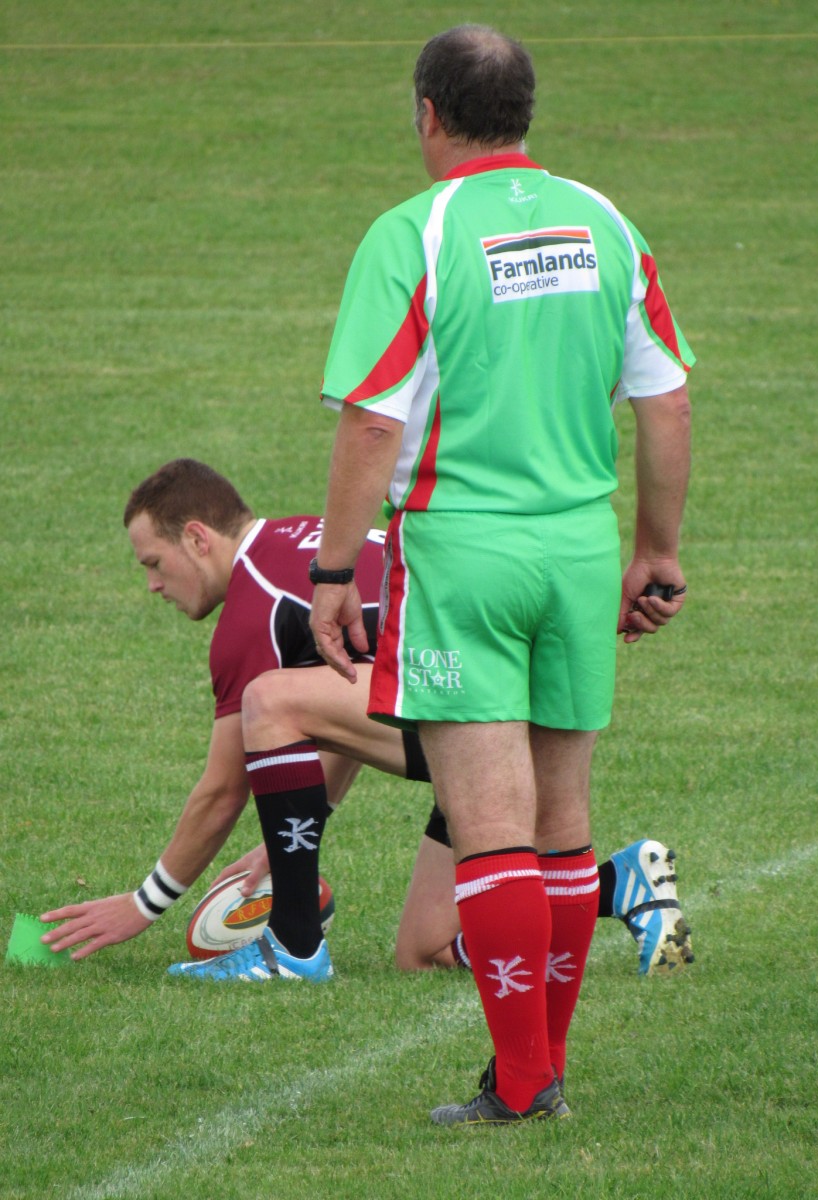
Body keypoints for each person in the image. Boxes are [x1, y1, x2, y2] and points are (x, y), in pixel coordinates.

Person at [308, 26, 694, 1125]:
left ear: (428, 113)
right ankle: (538, 1072)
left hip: (463, 554)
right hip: (577, 550)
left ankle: (523, 1085)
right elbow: (666, 401)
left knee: (490, 826)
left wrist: (335, 569)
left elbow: (371, 424)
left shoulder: (414, 232)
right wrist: (656, 552)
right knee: (563, 822)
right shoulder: (605, 220)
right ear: (524, 113)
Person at [40, 459, 693, 981]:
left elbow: (222, 791)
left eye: (153, 564)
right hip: (512, 694)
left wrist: (143, 904)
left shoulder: (253, 605)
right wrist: (293, 829)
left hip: (471, 709)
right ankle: (620, 885)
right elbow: (355, 689)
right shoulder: (300, 540)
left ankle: (294, 947)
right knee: (426, 950)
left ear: (196, 538)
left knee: (270, 700)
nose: (153, 585)